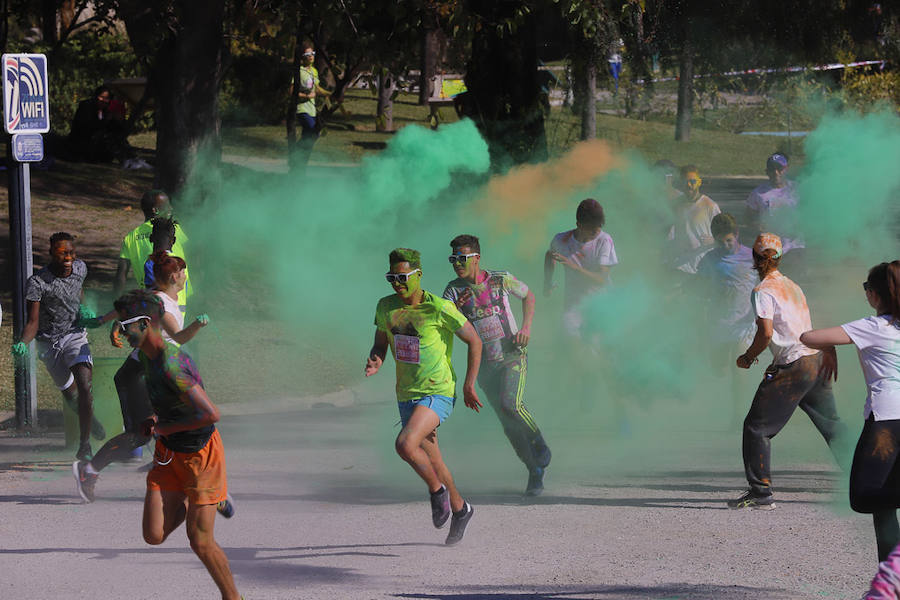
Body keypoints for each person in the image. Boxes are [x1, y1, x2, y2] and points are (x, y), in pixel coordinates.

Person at [103, 290, 240, 599]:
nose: (121, 333)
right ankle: (198, 502)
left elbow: (210, 414)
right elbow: (170, 405)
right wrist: (154, 419)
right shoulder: (148, 359)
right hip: (168, 454)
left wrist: (164, 426)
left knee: (200, 541)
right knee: (154, 535)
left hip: (200, 456)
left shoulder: (171, 363)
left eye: (125, 326)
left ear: (145, 323)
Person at [74, 254, 224, 511]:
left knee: (171, 424)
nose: (186, 277)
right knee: (140, 435)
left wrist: (108, 323)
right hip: (139, 374)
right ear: (175, 276)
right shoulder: (161, 302)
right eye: (184, 273)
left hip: (152, 372)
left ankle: (194, 481)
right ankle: (89, 470)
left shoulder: (159, 297)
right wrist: (198, 325)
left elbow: (128, 308)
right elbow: (179, 336)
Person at [365, 248, 483, 545]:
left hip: (438, 391)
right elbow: (380, 343)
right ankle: (461, 508)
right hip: (407, 394)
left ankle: (437, 491)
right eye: (391, 277)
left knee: (405, 444)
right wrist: (376, 359)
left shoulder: (439, 308)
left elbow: (475, 341)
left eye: (403, 277)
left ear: (418, 274)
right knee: (435, 461)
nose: (397, 283)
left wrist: (469, 385)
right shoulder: (385, 307)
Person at [727, 233, 848, 510]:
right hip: (815, 360)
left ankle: (760, 494)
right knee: (831, 424)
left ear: (755, 258)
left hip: (795, 365)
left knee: (756, 428)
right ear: (780, 258)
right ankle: (866, 475)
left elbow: (766, 333)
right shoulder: (793, 286)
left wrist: (748, 357)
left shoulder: (762, 291)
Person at [800, 261, 900, 562]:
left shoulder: (873, 326)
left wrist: (830, 346)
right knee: (884, 500)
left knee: (864, 495)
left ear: (876, 294)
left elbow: (808, 337)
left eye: (867, 288)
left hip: (887, 420)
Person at [442, 234, 552, 496]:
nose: (457, 264)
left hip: (513, 354)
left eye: (462, 258)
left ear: (477, 258)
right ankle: (533, 470)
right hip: (483, 365)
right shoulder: (452, 291)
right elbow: (444, 325)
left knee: (511, 404)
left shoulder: (500, 279)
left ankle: (538, 440)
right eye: (453, 259)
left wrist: (526, 327)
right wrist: (453, 312)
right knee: (507, 424)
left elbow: (529, 296)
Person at [12, 233, 106, 460]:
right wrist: (23, 343)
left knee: (85, 386)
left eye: (71, 253)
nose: (68, 257)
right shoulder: (37, 282)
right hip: (48, 341)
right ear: (51, 253)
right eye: (63, 253)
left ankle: (85, 445)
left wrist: (84, 309)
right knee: (72, 396)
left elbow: (78, 290)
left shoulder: (80, 268)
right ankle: (89, 419)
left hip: (75, 335)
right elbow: (32, 322)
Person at [696, 213, 757, 426]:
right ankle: (722, 399)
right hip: (718, 321)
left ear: (737, 234)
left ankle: (738, 414)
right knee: (719, 368)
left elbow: (766, 286)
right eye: (721, 241)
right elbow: (700, 288)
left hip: (744, 321)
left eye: (729, 240)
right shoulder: (709, 259)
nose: (726, 245)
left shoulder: (751, 257)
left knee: (738, 366)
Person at [544, 198, 618, 337]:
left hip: (601, 305)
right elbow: (550, 256)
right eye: (592, 231)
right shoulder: (562, 240)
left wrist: (575, 268)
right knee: (573, 344)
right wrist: (547, 283)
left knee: (597, 350)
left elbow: (601, 279)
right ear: (579, 225)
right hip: (573, 306)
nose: (596, 232)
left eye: (598, 228)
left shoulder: (604, 240)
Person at [115, 190, 191, 310]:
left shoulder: (130, 238)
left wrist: (118, 305)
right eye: (167, 205)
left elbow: (121, 274)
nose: (171, 208)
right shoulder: (172, 229)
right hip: (179, 299)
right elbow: (191, 255)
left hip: (151, 301)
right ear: (155, 210)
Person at [670, 164, 721, 274]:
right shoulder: (676, 205)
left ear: (699, 182)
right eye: (685, 182)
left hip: (703, 265)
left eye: (693, 181)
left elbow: (725, 235)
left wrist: (714, 240)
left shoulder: (710, 206)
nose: (689, 185)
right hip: (681, 265)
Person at [67, 85, 134, 163]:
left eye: (107, 98)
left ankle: (130, 159)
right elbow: (88, 127)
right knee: (107, 137)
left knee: (116, 137)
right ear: (96, 96)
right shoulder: (86, 106)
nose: (104, 100)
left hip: (97, 145)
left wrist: (118, 120)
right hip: (82, 142)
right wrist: (105, 121)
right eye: (101, 97)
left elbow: (114, 128)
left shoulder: (105, 110)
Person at [291, 40, 331, 170]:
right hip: (302, 109)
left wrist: (329, 93)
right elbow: (291, 91)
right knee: (313, 132)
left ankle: (300, 163)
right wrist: (306, 96)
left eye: (312, 53)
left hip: (312, 110)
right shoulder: (299, 71)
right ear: (302, 57)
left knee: (310, 136)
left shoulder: (313, 71)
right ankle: (295, 153)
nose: (311, 56)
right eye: (308, 54)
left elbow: (317, 88)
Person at [143, 217, 178, 289]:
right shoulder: (180, 263)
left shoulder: (151, 263)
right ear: (173, 240)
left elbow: (153, 293)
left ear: (151, 238)